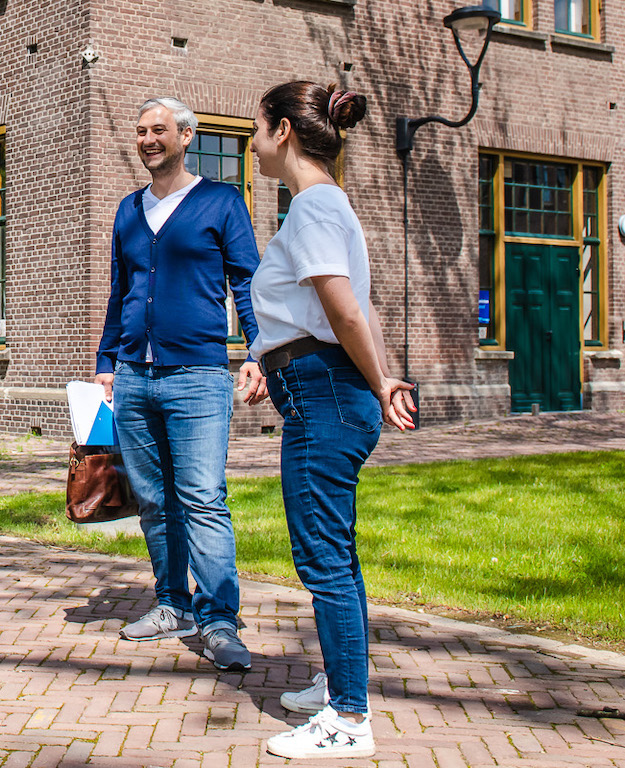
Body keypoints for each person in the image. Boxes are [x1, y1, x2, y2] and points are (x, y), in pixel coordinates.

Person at [235, 81, 416, 760]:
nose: (252, 142)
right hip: (323, 389)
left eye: (256, 128)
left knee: (324, 558)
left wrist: (377, 378)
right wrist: (382, 375)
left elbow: (344, 312)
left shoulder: (312, 208)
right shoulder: (327, 206)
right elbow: (352, 310)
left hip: (325, 396)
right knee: (334, 553)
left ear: (283, 130)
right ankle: (342, 682)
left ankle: (348, 717)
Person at [96, 96, 260, 673]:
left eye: (158, 130)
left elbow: (247, 283)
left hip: (199, 376)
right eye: (140, 131)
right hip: (135, 378)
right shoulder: (127, 210)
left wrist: (257, 350)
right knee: (154, 503)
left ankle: (219, 621)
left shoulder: (221, 201)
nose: (147, 139)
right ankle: (172, 605)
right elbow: (120, 291)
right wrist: (106, 360)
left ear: (186, 136)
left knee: (203, 500)